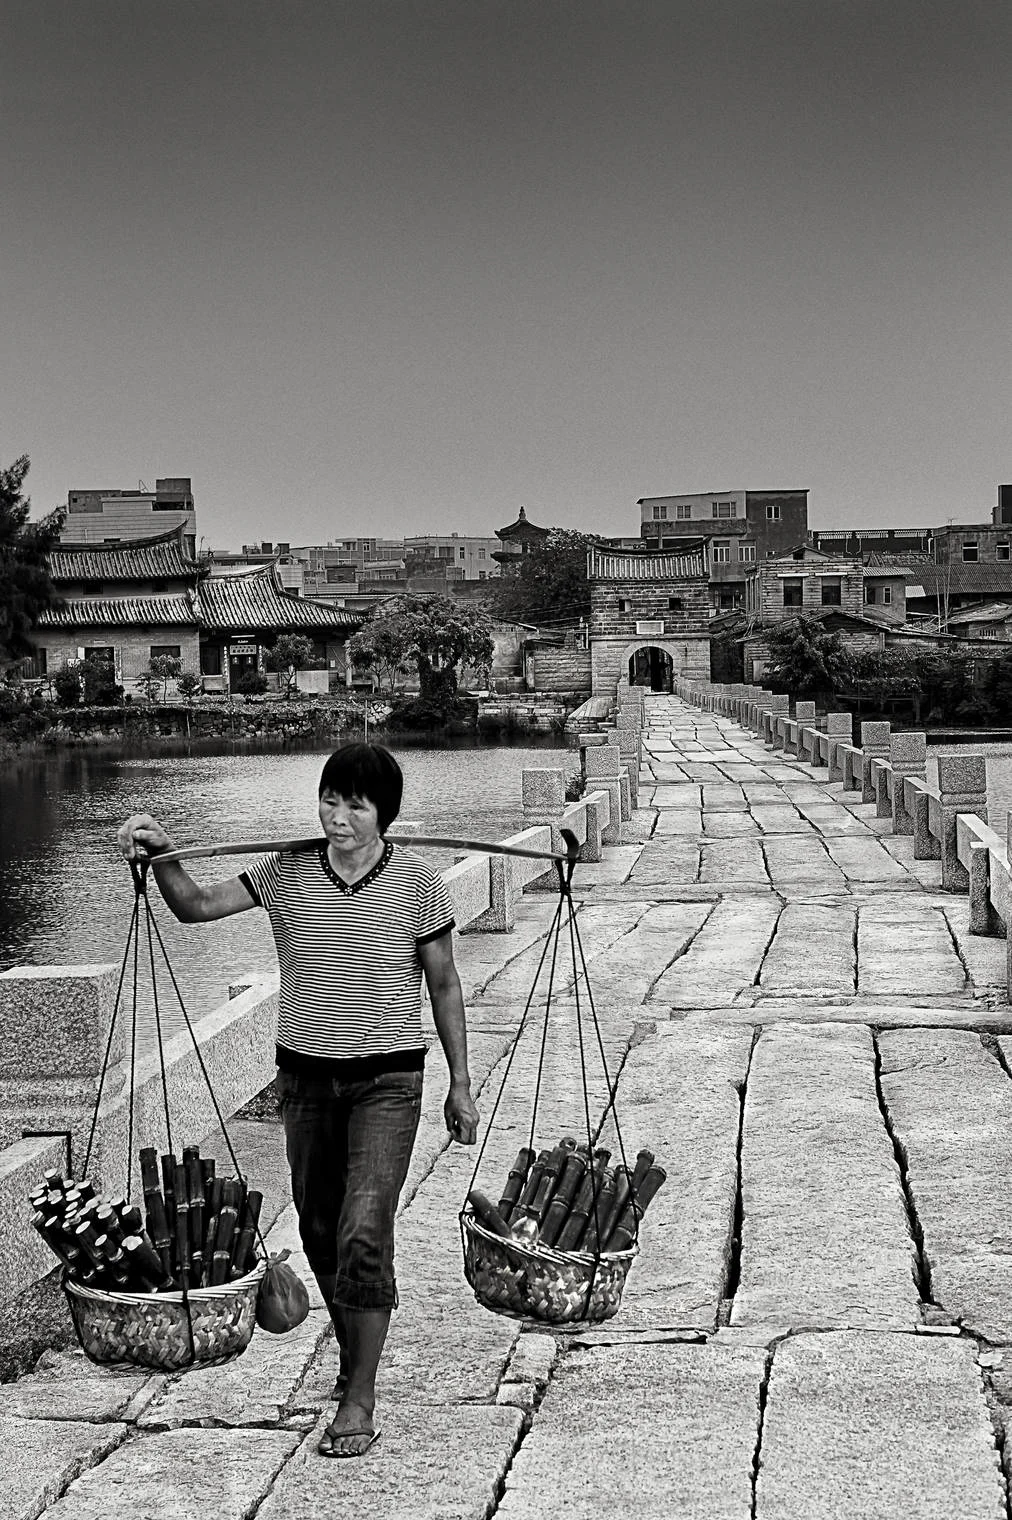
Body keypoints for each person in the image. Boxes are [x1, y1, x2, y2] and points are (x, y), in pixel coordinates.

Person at [117, 742, 480, 1460]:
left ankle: (360, 1394)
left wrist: (460, 1083)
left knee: (364, 1230)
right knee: (317, 1229)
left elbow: (443, 986)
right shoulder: (286, 871)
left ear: (385, 814)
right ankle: (354, 1355)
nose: (338, 817)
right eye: (330, 799)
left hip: (388, 1080)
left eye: (356, 804)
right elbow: (194, 907)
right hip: (307, 1080)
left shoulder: (417, 884)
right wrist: (163, 854)